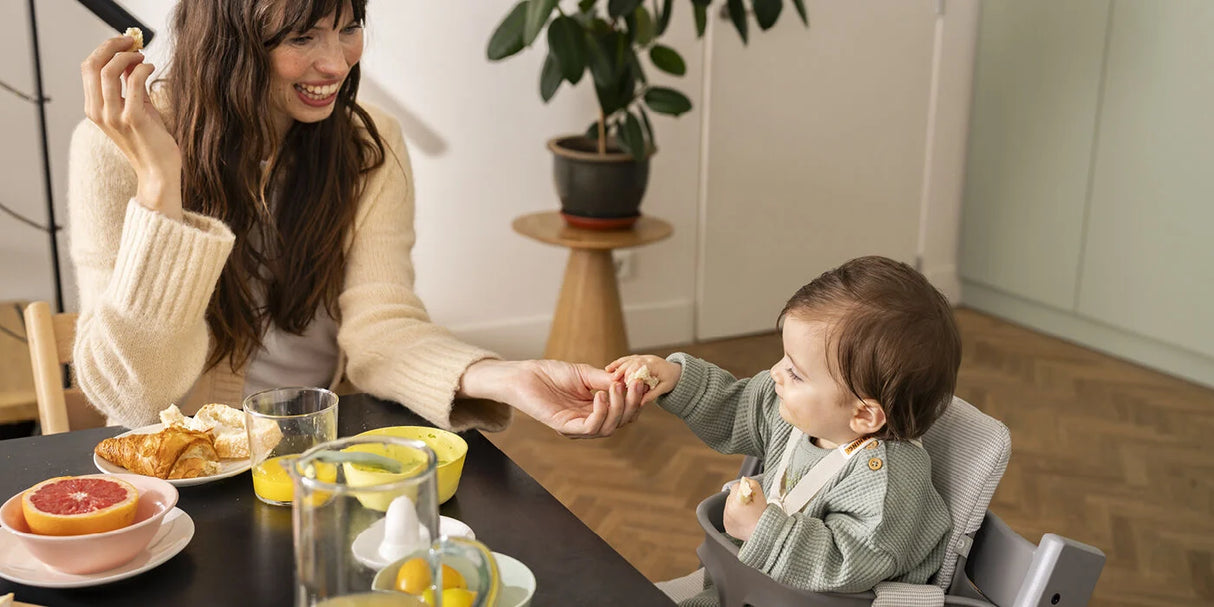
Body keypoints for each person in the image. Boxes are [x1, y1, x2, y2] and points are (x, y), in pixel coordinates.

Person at [69, 0, 644, 436]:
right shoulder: (116, 145)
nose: (336, 61)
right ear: (228, 40)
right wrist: (160, 184)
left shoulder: (371, 144)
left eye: (349, 27)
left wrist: (506, 377)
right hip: (182, 468)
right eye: (302, 36)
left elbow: (381, 324)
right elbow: (134, 397)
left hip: (316, 447)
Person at [609, 256, 959, 605]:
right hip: (753, 589)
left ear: (864, 415)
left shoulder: (887, 484)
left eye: (795, 372)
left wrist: (762, 529)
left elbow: (846, 563)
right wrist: (677, 379)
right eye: (784, 358)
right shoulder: (804, 414)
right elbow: (736, 406)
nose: (776, 372)